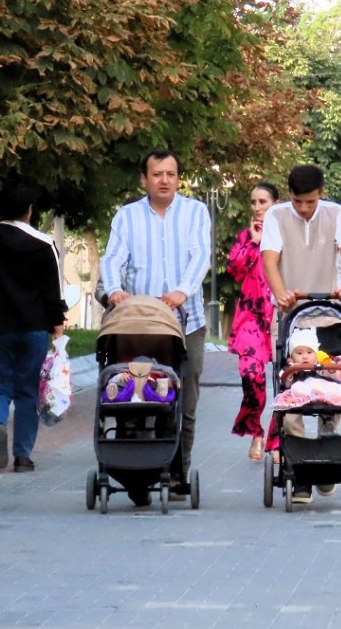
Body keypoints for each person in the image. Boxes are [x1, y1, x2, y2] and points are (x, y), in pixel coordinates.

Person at [100, 150, 210, 499]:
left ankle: (178, 473)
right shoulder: (127, 217)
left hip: (185, 321)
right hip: (139, 323)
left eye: (171, 174)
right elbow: (114, 257)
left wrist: (182, 291)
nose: (165, 180)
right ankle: (136, 473)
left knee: (183, 400)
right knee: (134, 396)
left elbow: (201, 255)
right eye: (157, 174)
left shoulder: (195, 212)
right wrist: (115, 290)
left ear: (179, 178)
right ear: (144, 179)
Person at [261, 163, 341, 504]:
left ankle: (330, 453)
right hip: (294, 315)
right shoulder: (276, 216)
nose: (304, 208)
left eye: (311, 202)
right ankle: (298, 472)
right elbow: (270, 259)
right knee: (292, 387)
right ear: (290, 196)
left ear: (321, 194)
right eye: (299, 202)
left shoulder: (335, 214)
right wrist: (280, 292)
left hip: (330, 314)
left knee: (334, 386)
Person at [0, 182, 66, 473]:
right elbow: (53, 292)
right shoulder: (45, 245)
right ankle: (22, 457)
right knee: (27, 392)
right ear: (29, 211)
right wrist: (57, 328)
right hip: (34, 329)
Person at [227, 182, 280, 462]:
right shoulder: (246, 237)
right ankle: (256, 431)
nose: (257, 208)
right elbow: (234, 269)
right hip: (251, 319)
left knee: (285, 380)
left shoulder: (287, 235)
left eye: (263, 202)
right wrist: (253, 242)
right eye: (254, 202)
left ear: (276, 203)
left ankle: (276, 438)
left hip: (280, 315)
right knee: (252, 378)